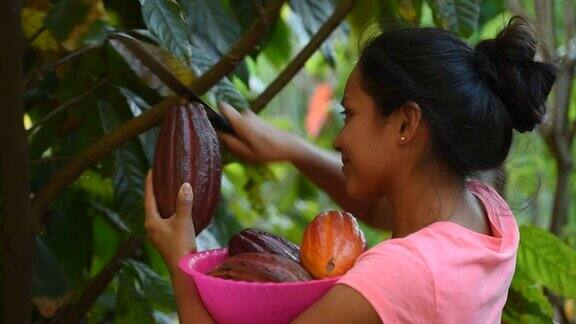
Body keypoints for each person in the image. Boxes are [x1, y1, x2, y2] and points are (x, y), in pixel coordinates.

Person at [144, 16, 557, 323]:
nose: (339, 139)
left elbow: (403, 265)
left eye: (350, 115)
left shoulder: (399, 276)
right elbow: (384, 211)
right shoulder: (484, 215)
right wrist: (293, 151)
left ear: (405, 124)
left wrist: (182, 260)